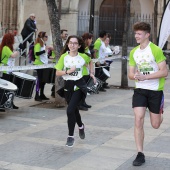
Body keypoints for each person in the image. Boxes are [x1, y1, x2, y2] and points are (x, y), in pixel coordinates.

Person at [128, 22, 168, 166]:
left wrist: (147, 77)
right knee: (138, 119)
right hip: (140, 90)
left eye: (139, 34)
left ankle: (159, 113)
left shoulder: (156, 50)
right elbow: (130, 75)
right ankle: (140, 153)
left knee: (155, 124)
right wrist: (136, 76)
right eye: (135, 33)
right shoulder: (134, 52)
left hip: (155, 91)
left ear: (147, 35)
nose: (136, 36)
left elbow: (164, 72)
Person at [55, 35, 95, 147]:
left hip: (79, 85)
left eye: (75, 43)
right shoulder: (64, 57)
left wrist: (91, 73)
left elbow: (90, 61)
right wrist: (67, 71)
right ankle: (81, 126)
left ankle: (70, 136)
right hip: (68, 85)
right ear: (67, 44)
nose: (72, 45)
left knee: (69, 110)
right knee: (74, 109)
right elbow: (58, 72)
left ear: (79, 45)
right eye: (70, 43)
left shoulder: (83, 56)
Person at [0, 33, 19, 111]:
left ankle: (10, 103)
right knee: (4, 89)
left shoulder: (8, 48)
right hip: (5, 71)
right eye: (13, 38)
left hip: (9, 70)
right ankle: (2, 104)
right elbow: (13, 55)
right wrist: (17, 51)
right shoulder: (5, 48)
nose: (14, 40)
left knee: (11, 88)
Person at [34, 31, 51, 101]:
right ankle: (36, 95)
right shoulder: (38, 44)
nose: (47, 38)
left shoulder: (44, 45)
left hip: (44, 64)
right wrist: (45, 51)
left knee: (43, 80)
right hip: (39, 64)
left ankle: (42, 94)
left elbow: (44, 55)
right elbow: (37, 53)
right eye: (46, 36)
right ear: (42, 37)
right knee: (39, 80)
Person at [78, 32, 94, 111]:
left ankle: (83, 102)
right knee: (82, 89)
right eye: (91, 39)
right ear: (87, 39)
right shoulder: (82, 48)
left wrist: (91, 70)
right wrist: (87, 66)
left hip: (86, 71)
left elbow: (90, 60)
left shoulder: (87, 48)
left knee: (85, 88)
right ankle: (80, 104)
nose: (91, 41)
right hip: (82, 71)